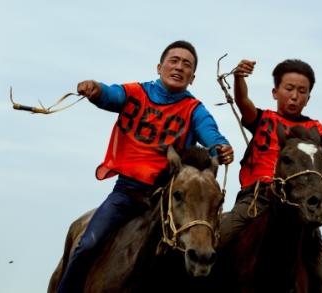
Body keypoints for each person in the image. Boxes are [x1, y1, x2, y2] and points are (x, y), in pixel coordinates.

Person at [57, 40, 233, 293]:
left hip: (169, 200)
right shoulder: (135, 92)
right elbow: (111, 95)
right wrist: (95, 89)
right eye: (174, 61)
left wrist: (220, 147)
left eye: (187, 65)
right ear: (159, 67)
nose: (179, 67)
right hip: (127, 193)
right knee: (87, 246)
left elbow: (210, 133)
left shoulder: (195, 109)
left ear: (192, 77)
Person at [220, 58, 322, 286]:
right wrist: (239, 78)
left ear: (308, 98)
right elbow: (242, 101)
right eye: (289, 89)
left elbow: (316, 161)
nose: (294, 96)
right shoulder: (262, 120)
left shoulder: (315, 130)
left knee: (318, 268)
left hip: (296, 203)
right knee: (219, 237)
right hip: (255, 198)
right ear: (275, 92)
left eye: (302, 91)